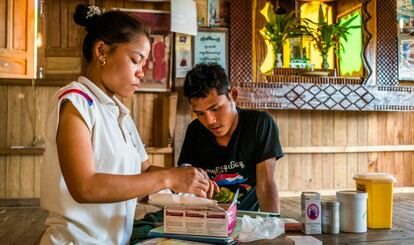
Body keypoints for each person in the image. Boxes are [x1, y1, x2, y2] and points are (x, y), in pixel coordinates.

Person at [40, 4, 216, 245]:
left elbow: (142, 174)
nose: (142, 73)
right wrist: (168, 178)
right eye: (136, 60)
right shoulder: (76, 102)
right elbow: (85, 186)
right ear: (102, 51)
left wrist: (188, 180)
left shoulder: (119, 112)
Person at [178, 63, 283, 212]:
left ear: (233, 95)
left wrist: (273, 226)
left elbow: (266, 186)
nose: (210, 121)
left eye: (215, 109)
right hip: (206, 218)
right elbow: (186, 182)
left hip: (245, 220)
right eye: (200, 113)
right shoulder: (195, 130)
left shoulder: (259, 124)